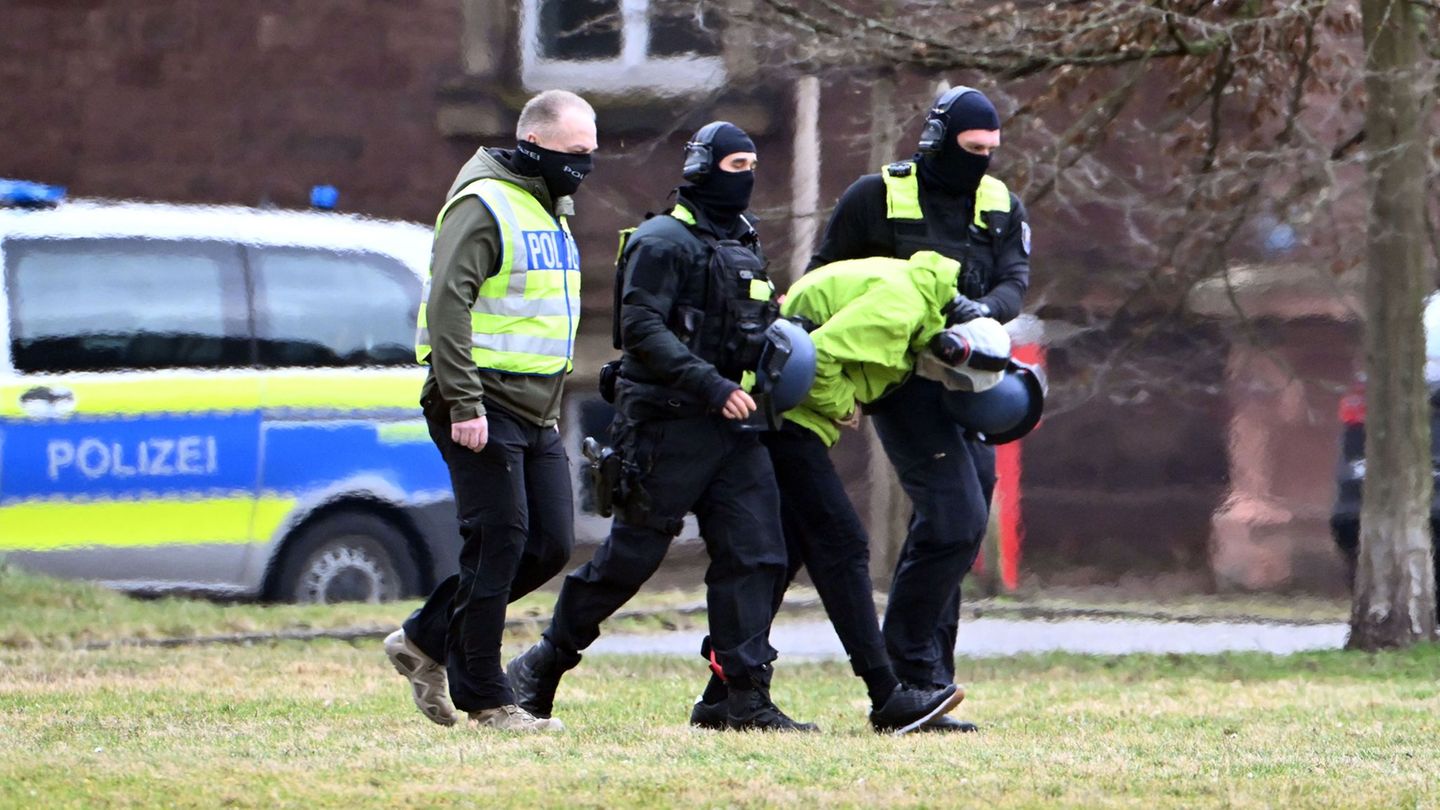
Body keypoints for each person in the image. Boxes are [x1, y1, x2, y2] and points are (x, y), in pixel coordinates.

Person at [506, 122, 814, 732]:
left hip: (735, 429)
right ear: (701, 167)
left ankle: (740, 698)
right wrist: (711, 385)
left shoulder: (744, 241)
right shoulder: (660, 241)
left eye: (752, 165)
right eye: (735, 165)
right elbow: (642, 330)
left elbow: (753, 329)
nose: (747, 177)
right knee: (629, 560)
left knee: (757, 555)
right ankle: (541, 665)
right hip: (666, 427)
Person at [686, 250, 1006, 735]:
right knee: (842, 546)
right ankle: (887, 694)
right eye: (950, 376)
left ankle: (723, 695)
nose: (943, 383)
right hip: (784, 415)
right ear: (949, 346)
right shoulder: (899, 310)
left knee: (783, 555)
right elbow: (818, 359)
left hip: (786, 413)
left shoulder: (919, 303)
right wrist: (843, 406)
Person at [808, 85, 1033, 732]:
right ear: (937, 140)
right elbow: (821, 282)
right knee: (955, 517)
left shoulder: (1001, 204)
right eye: (971, 148)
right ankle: (907, 668)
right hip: (899, 380)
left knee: (959, 524)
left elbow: (1014, 282)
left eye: (990, 151)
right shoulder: (874, 197)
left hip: (971, 381)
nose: (980, 162)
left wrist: (978, 316)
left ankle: (931, 682)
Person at [383, 89, 597, 733]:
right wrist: (464, 402)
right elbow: (448, 305)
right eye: (574, 152)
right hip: (479, 399)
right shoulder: (484, 204)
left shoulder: (548, 206)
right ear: (533, 144)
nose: (585, 166)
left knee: (548, 545)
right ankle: (488, 699)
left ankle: (423, 638)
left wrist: (551, 406)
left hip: (537, 408)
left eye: (591, 153)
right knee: (498, 540)